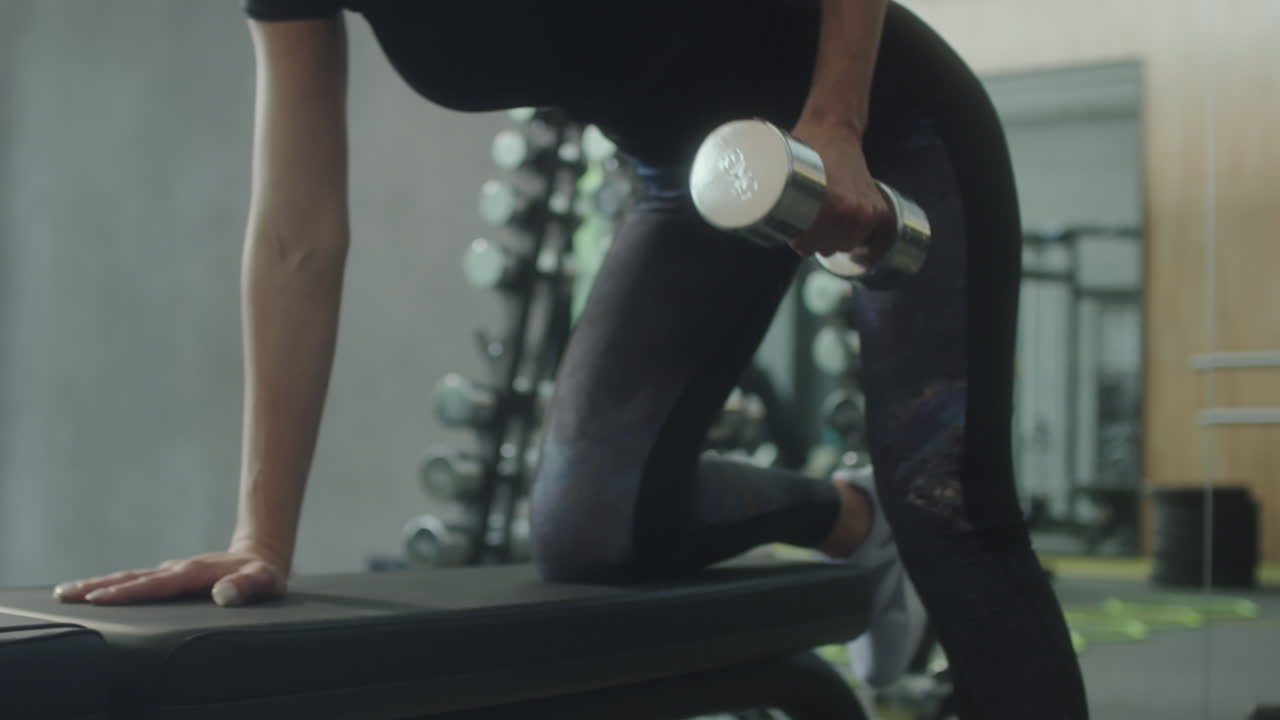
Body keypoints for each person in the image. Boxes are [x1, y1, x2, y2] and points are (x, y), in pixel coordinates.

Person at [54, 1, 1089, 716]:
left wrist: (835, 117)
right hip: (695, 176)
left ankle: (907, 516)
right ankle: (853, 520)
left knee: (951, 506)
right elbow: (297, 236)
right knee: (591, 525)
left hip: (880, 118)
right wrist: (259, 536)